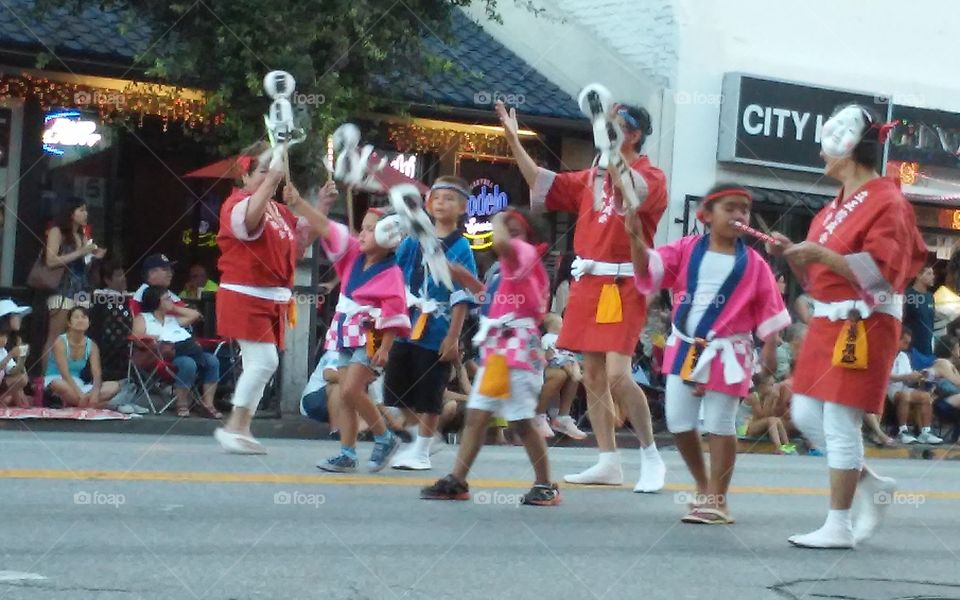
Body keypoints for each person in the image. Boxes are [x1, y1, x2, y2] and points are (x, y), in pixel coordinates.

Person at [767, 103, 927, 549]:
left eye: (826, 147)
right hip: (828, 319)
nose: (821, 156)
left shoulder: (888, 202)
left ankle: (838, 525)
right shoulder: (830, 209)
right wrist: (795, 255)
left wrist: (820, 255)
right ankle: (869, 484)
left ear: (850, 148)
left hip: (865, 322)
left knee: (840, 422)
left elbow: (881, 282)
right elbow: (820, 279)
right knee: (802, 413)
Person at [496, 98, 669, 491]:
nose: (606, 128)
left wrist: (609, 151)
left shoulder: (652, 175)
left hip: (623, 283)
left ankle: (650, 455)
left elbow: (632, 191)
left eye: (616, 123)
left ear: (635, 133)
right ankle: (608, 460)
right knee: (592, 375)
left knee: (618, 375)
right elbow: (542, 181)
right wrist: (514, 140)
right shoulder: (593, 176)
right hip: (588, 281)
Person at [628, 184, 789, 524]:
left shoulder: (755, 263)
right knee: (679, 422)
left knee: (719, 424)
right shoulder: (687, 249)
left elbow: (769, 307)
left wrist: (770, 350)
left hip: (730, 351)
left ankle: (718, 499)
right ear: (706, 215)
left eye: (743, 210)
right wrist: (634, 236)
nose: (739, 216)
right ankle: (703, 484)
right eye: (730, 208)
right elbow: (650, 269)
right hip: (686, 346)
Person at [421, 211, 560, 505]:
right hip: (499, 351)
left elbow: (501, 243)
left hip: (519, 351)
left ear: (528, 239)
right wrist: (465, 278)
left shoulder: (525, 256)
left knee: (521, 422)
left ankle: (546, 484)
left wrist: (498, 219)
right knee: (476, 416)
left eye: (514, 231)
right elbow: (489, 300)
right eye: (505, 230)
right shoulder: (508, 271)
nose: (507, 237)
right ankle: (458, 480)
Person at [213, 144, 336, 454]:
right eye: (263, 171)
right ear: (245, 176)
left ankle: (240, 427)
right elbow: (246, 226)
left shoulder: (278, 211)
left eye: (271, 171)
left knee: (263, 362)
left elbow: (301, 242)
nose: (270, 177)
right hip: (245, 293)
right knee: (264, 361)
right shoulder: (236, 204)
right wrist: (272, 181)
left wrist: (321, 204)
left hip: (272, 297)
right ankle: (234, 426)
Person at [385, 176, 477, 471]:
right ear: (427, 203)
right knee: (397, 390)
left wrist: (453, 337)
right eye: (436, 197)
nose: (441, 203)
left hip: (437, 325)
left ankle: (422, 449)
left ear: (463, 207)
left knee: (429, 391)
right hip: (407, 321)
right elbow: (396, 274)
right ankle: (420, 437)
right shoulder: (415, 239)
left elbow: (462, 295)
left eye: (450, 199)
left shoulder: (461, 247)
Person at [314, 204, 411, 473]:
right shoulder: (354, 255)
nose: (364, 234)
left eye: (371, 229)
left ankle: (384, 436)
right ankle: (347, 452)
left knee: (350, 390)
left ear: (388, 236)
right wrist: (300, 204)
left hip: (373, 335)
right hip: (346, 330)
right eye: (364, 228)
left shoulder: (391, 272)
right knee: (347, 396)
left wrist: (385, 347)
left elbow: (394, 312)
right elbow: (327, 229)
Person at [132, 285, 222, 418]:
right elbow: (136, 339)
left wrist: (173, 308)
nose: (171, 301)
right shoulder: (142, 318)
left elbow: (195, 314)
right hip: (163, 356)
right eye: (167, 299)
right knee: (188, 363)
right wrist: (156, 340)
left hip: (185, 350)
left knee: (212, 360)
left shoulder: (172, 319)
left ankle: (208, 405)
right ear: (157, 301)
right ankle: (182, 404)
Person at [41, 197, 106, 373]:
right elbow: (51, 260)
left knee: (76, 335)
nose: (86, 214)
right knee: (55, 335)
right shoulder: (57, 231)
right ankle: (46, 381)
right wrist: (81, 252)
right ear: (71, 213)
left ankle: (70, 376)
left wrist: (92, 256)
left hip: (81, 289)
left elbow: (83, 264)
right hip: (63, 288)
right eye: (81, 210)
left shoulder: (82, 235)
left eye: (86, 210)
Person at [44, 307, 120, 408]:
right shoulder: (60, 341)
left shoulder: (92, 345)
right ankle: (100, 405)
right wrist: (80, 394)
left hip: (78, 384)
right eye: (76, 317)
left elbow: (97, 374)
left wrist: (95, 393)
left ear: (88, 322)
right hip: (58, 380)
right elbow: (64, 374)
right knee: (59, 384)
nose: (80, 320)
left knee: (114, 386)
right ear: (69, 323)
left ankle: (81, 403)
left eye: (84, 317)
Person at [534, 312, 587, 439]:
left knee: (572, 375)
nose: (563, 325)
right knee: (563, 373)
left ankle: (563, 417)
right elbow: (548, 355)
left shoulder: (564, 339)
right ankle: (538, 415)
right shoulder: (548, 338)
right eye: (560, 323)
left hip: (565, 361)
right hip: (552, 364)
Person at [886, 330, 940, 444]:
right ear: (897, 339)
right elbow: (884, 376)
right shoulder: (885, 354)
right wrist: (906, 376)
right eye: (905, 342)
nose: (907, 345)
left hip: (903, 387)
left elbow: (908, 377)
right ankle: (903, 431)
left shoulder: (903, 356)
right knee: (905, 396)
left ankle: (925, 432)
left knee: (925, 396)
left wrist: (918, 376)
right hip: (888, 388)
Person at [903, 265, 936, 370]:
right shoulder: (908, 295)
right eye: (929, 273)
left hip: (928, 349)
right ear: (918, 275)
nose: (933, 276)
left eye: (933, 274)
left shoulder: (930, 296)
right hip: (912, 349)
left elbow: (931, 320)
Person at [0, 300, 31, 408]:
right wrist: (11, 355)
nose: (20, 319)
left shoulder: (16, 340)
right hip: (3, 378)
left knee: (22, 380)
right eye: (16, 316)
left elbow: (15, 370)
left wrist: (22, 358)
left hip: (4, 379)